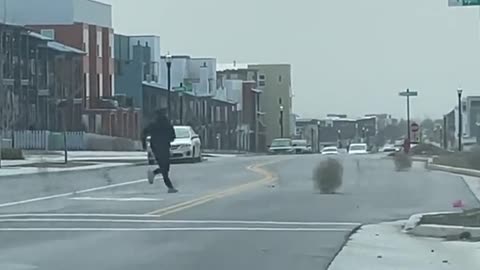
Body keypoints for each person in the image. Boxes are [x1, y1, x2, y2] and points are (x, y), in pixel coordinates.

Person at [142, 109, 178, 193]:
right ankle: (170, 187)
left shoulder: (153, 124)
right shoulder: (168, 124)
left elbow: (144, 133)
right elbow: (173, 136)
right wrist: (168, 139)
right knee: (165, 167)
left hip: (155, 147)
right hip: (165, 146)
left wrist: (144, 144)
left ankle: (154, 173)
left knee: (163, 166)